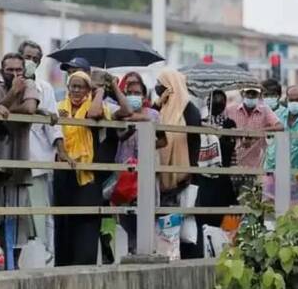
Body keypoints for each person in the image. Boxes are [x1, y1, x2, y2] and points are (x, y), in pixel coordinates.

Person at [18, 40, 72, 257]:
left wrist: (62, 149)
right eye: (26, 57)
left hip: (38, 159)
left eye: (34, 59)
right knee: (15, 215)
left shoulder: (46, 88)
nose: (29, 62)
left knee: (40, 213)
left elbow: (53, 124)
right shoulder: (4, 84)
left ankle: (45, 254)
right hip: (11, 159)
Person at [0, 52, 40, 247]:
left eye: (18, 70)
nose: (15, 74)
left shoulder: (29, 85)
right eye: (10, 70)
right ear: (1, 71)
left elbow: (30, 108)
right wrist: (12, 95)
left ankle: (13, 265)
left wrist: (5, 108)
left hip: (20, 162)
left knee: (18, 223)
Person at [53, 71, 111, 266]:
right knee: (64, 224)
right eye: (73, 86)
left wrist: (99, 91)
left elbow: (95, 114)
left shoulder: (94, 105)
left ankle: (84, 268)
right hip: (64, 172)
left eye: (81, 86)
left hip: (87, 175)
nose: (76, 90)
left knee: (86, 223)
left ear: (88, 89)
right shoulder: (60, 107)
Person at [153, 69, 203, 259]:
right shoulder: (163, 109)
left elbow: (193, 144)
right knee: (166, 229)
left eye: (162, 85)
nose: (159, 89)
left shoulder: (189, 110)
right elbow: (150, 122)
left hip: (184, 178)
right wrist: (158, 103)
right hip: (164, 178)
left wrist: (187, 173)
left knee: (187, 229)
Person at [114, 79, 167, 254]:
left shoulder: (153, 114)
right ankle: (129, 249)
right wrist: (135, 123)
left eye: (137, 93)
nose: (133, 96)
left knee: (145, 210)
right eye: (129, 93)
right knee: (126, 213)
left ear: (144, 95)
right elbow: (120, 136)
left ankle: (144, 249)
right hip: (125, 171)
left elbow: (163, 140)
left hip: (146, 170)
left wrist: (147, 145)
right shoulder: (120, 113)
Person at [195, 90, 237, 228]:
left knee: (220, 213)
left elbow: (230, 147)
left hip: (221, 176)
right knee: (202, 212)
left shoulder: (230, 123)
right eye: (214, 100)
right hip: (203, 175)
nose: (217, 103)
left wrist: (218, 136)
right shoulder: (200, 122)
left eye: (221, 101)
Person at [225, 87, 283, 169]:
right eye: (248, 93)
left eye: (254, 94)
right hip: (233, 161)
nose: (251, 96)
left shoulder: (264, 110)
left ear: (258, 95)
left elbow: (280, 127)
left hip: (255, 162)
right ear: (242, 94)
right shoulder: (230, 109)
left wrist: (259, 131)